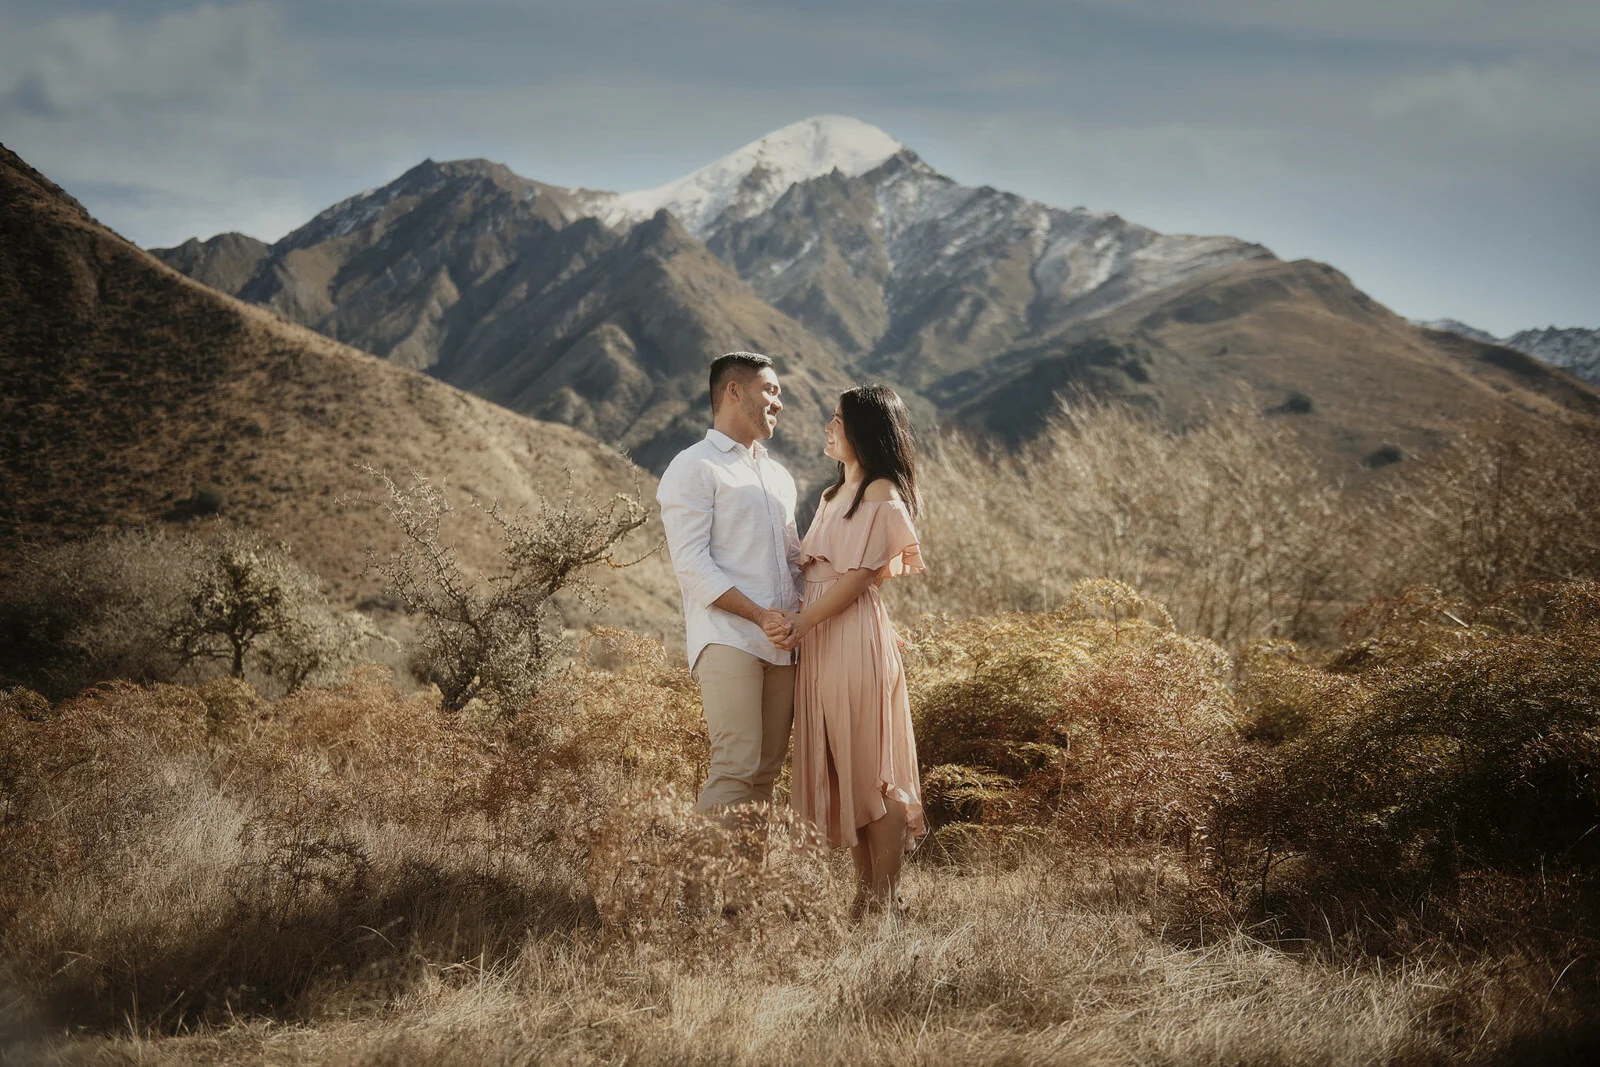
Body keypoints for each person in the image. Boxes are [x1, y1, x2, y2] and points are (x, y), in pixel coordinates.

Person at [766, 384, 926, 917]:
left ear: (864, 430)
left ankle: (883, 897)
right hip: (820, 641)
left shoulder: (880, 491)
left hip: (848, 635)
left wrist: (801, 622)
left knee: (870, 766)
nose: (828, 428)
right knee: (840, 766)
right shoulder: (833, 497)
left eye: (838, 420)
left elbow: (858, 578)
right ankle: (866, 894)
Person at [657, 352, 802, 815]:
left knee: (766, 772)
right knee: (736, 767)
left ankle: (744, 889)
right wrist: (760, 615)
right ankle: (698, 890)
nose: (778, 402)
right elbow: (692, 563)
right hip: (728, 637)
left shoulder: (779, 476)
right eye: (771, 390)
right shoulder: (694, 466)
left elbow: (796, 560)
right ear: (734, 391)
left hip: (782, 644)